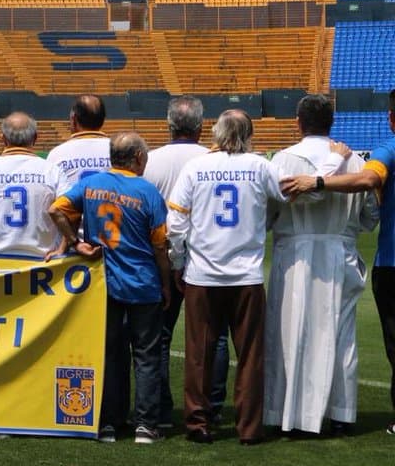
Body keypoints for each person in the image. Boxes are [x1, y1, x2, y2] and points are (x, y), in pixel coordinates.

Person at [168, 109, 284, 445]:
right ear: (249, 134)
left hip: (203, 274)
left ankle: (198, 423)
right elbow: (286, 197)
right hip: (246, 275)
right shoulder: (262, 166)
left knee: (199, 353)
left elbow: (176, 225)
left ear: (216, 132)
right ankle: (249, 427)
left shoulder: (195, 167)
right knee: (250, 354)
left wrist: (178, 262)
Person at [282, 89, 395, 435]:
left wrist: (318, 181)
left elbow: (272, 206)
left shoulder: (284, 158)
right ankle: (342, 414)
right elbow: (369, 217)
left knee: (292, 332)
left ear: (298, 122)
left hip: (297, 254)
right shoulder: (356, 161)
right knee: (343, 337)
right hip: (342, 254)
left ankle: (291, 416)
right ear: (332, 122)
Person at [48, 132, 170, 445]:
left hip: (104, 284)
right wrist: (166, 284)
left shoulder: (91, 185)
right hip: (143, 284)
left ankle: (108, 423)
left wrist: (75, 243)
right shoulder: (148, 192)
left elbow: (55, 210)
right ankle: (145, 424)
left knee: (110, 353)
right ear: (139, 158)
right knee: (146, 355)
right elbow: (160, 246)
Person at [141, 95, 226, 428]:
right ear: (202, 126)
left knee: (159, 337)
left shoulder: (150, 161)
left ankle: (161, 410)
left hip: (159, 260)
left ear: (168, 123)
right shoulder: (213, 159)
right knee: (214, 337)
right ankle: (212, 407)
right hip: (206, 259)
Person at [0, 112, 64, 257]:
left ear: (3, 138)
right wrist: (62, 249)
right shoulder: (53, 171)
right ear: (35, 138)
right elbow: (69, 214)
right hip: (41, 265)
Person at [45, 95, 111, 191]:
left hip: (72, 206)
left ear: (74, 118)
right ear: (103, 119)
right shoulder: (119, 151)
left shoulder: (57, 154)